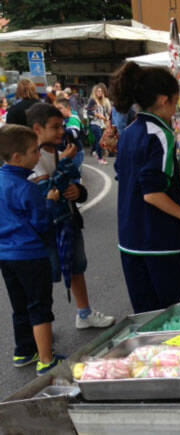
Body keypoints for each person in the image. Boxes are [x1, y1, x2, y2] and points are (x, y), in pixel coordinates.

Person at [111, 62, 180, 314]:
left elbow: (130, 176)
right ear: (164, 100)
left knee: (148, 316)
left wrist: (176, 179)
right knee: (172, 316)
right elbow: (152, 194)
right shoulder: (161, 133)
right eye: (176, 101)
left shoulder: (130, 130)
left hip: (131, 241)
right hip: (161, 242)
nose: (176, 108)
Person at [26, 103, 116, 329]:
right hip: (45, 229)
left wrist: (78, 192)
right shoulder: (30, 160)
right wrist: (64, 164)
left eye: (62, 126)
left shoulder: (59, 153)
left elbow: (76, 187)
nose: (61, 131)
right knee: (44, 277)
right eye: (55, 127)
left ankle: (84, 313)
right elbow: (47, 192)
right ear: (37, 129)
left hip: (69, 222)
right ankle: (38, 327)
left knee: (77, 267)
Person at [0, 125, 66, 376]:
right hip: (31, 254)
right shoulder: (27, 188)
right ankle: (47, 359)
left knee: (19, 305)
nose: (38, 156)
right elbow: (41, 223)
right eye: (34, 152)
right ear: (18, 158)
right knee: (39, 306)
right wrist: (50, 202)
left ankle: (24, 350)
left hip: (5, 255)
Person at [55, 98, 85, 171]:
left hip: (76, 153)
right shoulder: (64, 119)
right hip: (69, 151)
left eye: (60, 108)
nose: (57, 111)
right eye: (56, 109)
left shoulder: (73, 119)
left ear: (68, 108)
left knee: (73, 175)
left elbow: (74, 134)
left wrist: (60, 130)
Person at [86, 83, 111, 165]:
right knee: (100, 141)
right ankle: (99, 158)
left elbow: (105, 113)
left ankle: (97, 153)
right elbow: (88, 112)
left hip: (101, 124)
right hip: (94, 123)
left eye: (101, 91)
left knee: (99, 140)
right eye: (98, 91)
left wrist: (105, 118)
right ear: (95, 92)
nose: (100, 93)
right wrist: (98, 115)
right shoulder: (93, 100)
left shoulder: (102, 101)